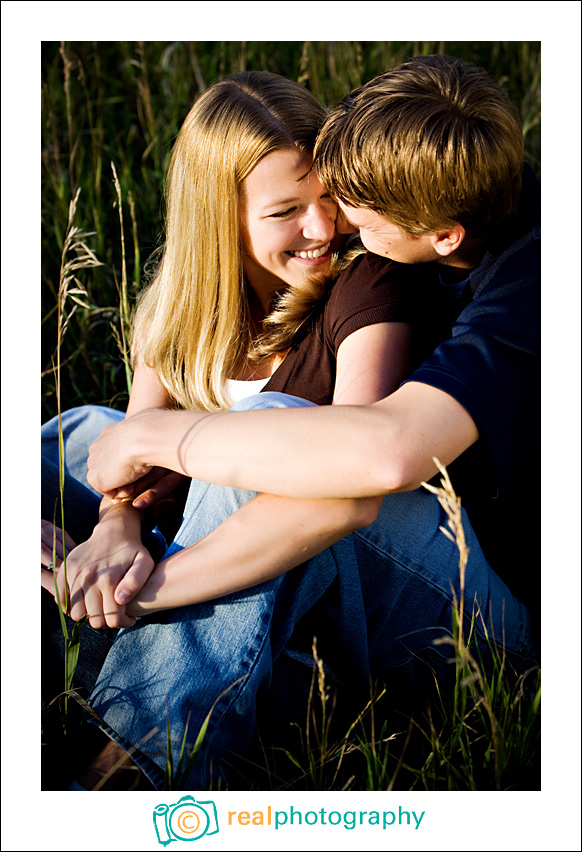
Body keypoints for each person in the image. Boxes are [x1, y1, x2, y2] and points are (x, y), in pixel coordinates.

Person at [80, 55, 540, 789]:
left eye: (354, 205)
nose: (338, 226)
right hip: (392, 572)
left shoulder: (525, 288)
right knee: (76, 433)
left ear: (444, 236)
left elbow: (378, 460)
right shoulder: (445, 211)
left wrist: (156, 577)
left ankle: (132, 771)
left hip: (494, 622)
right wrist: (116, 515)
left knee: (270, 435)